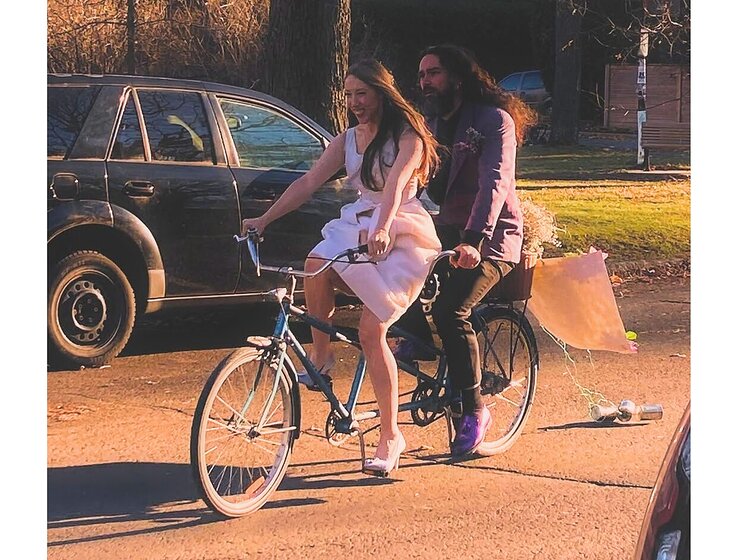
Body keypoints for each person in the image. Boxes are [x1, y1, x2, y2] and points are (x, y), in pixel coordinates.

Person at [241, 59, 441, 477]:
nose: (354, 103)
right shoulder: (347, 139)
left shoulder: (408, 137)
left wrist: (383, 226)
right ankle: (322, 357)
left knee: (371, 333)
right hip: (360, 226)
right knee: (315, 262)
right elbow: (307, 183)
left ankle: (391, 436)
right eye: (349, 95)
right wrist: (264, 219)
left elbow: (395, 186)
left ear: (381, 93)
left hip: (402, 232)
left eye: (362, 94)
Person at [393, 44, 537, 457]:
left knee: (450, 309)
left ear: (458, 77)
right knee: (400, 273)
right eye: (422, 75)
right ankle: (419, 337)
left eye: (434, 73)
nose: (425, 82)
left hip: (492, 239)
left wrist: (474, 239)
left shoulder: (494, 121)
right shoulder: (430, 125)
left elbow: (495, 183)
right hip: (447, 229)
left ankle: (475, 411)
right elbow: (412, 176)